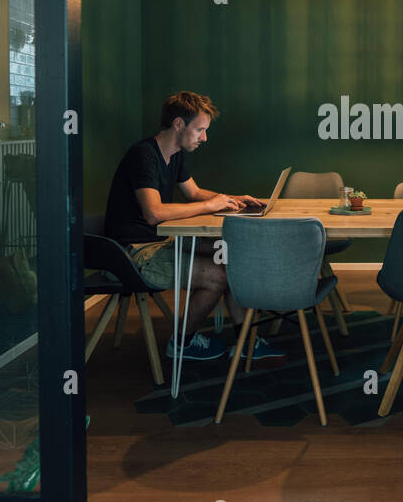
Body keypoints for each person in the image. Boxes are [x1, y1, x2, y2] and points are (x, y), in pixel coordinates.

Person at [104, 91, 284, 363]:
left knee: (233, 253)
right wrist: (210, 206)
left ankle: (246, 341)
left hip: (160, 240)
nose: (204, 137)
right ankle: (181, 344)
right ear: (178, 124)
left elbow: (195, 192)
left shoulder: (173, 154)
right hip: (132, 251)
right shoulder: (143, 155)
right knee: (217, 276)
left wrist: (231, 200)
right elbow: (154, 213)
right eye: (200, 129)